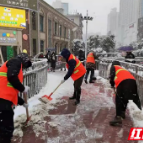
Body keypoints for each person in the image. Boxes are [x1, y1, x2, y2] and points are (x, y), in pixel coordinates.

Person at [0, 53, 32, 143]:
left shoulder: (13, 64)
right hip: (2, 101)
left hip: (3, 100)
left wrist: (23, 103)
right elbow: (12, 76)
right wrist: (22, 88)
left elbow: (10, 91)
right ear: (24, 60)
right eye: (25, 65)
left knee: (3, 126)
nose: (24, 68)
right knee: (6, 128)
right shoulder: (16, 61)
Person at [109, 61, 141, 126]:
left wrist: (112, 84)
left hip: (123, 81)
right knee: (134, 97)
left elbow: (112, 76)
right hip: (132, 81)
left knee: (119, 98)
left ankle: (118, 117)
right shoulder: (122, 69)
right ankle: (139, 111)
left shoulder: (114, 67)